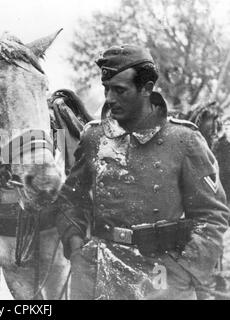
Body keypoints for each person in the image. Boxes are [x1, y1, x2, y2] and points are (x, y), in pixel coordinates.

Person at [55, 44, 230, 300]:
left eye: (120, 90)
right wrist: (76, 247)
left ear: (147, 89)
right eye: (106, 89)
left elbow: (212, 215)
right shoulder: (94, 137)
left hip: (164, 277)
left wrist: (185, 270)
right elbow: (71, 199)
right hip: (100, 271)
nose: (109, 99)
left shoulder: (183, 140)